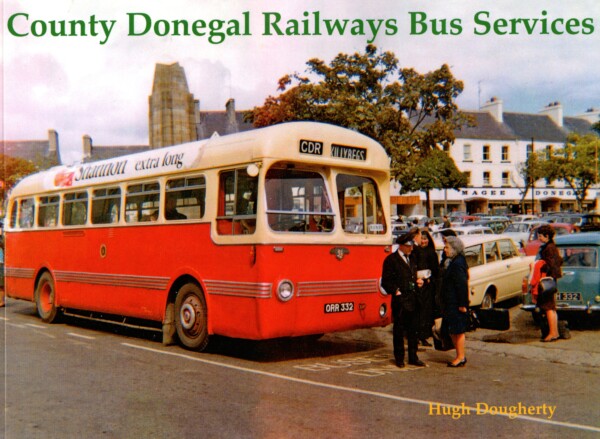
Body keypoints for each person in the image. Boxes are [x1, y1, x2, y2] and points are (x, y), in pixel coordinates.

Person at [381, 229, 426, 368]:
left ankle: (413, 356)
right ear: (401, 245)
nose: (411, 248)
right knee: (399, 330)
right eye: (408, 246)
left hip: (413, 298)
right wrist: (395, 291)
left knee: (413, 330)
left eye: (412, 245)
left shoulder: (412, 258)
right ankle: (399, 358)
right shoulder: (391, 260)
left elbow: (414, 274)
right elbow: (386, 281)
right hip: (400, 300)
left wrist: (420, 282)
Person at [441, 236, 469, 367]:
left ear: (454, 249)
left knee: (458, 331)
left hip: (456, 303)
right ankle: (459, 355)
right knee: (453, 331)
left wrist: (463, 304)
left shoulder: (457, 263)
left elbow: (462, 285)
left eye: (447, 247)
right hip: (451, 302)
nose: (444, 249)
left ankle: (460, 357)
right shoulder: (455, 261)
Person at [534, 225, 563, 342]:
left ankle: (552, 333)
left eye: (540, 236)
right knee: (551, 307)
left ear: (547, 236)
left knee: (548, 307)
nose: (539, 238)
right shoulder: (552, 246)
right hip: (551, 280)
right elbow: (560, 261)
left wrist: (540, 266)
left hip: (547, 281)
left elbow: (551, 265)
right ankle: (554, 332)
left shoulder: (548, 248)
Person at [416, 228, 440, 346]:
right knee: (418, 311)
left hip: (428, 286)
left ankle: (424, 335)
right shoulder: (415, 251)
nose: (423, 241)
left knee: (427, 311)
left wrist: (430, 279)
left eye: (425, 239)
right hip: (418, 284)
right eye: (422, 239)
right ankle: (418, 335)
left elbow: (436, 270)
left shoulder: (432, 252)